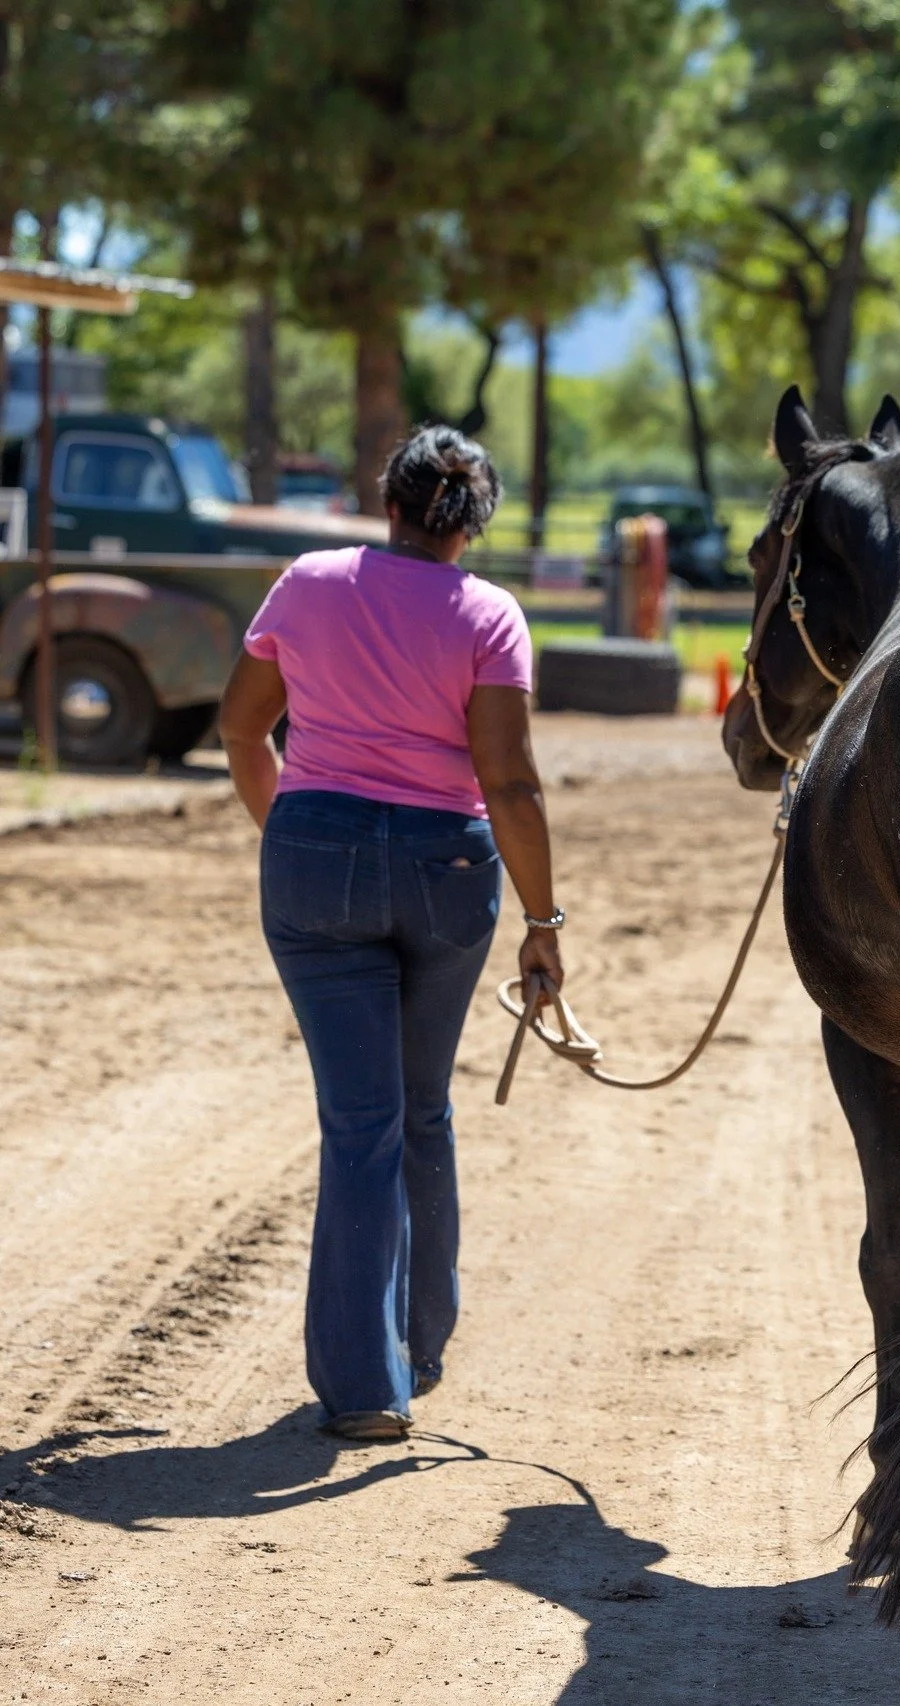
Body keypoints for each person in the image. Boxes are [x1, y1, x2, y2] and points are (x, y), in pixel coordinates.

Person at [218, 425, 564, 1443]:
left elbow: (243, 728)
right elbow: (508, 780)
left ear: (392, 502)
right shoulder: (490, 614)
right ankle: (419, 1341)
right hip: (446, 873)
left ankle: (367, 1386)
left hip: (315, 856)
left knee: (358, 1120)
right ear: (474, 524)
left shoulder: (309, 580)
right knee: (423, 1109)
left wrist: (292, 831)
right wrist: (543, 924)